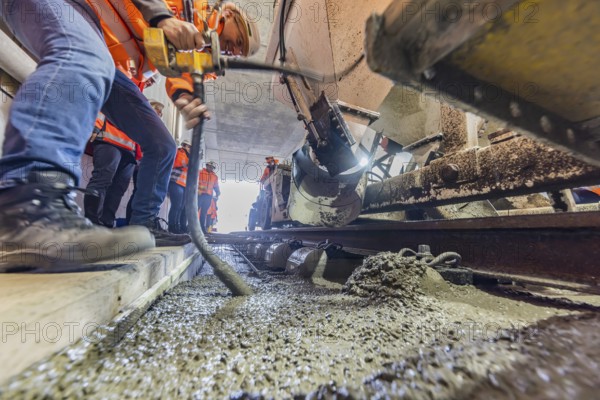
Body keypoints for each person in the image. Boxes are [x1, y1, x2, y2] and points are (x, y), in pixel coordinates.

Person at [0, 0, 257, 271]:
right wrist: (161, 17)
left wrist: (183, 95)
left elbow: (175, 68)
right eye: (239, 41)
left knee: (162, 144)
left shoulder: (193, 34)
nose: (235, 51)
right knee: (84, 56)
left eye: (240, 52)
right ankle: (27, 212)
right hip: (70, 8)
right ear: (229, 14)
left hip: (104, 58)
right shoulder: (190, 5)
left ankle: (144, 224)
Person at [84, 115, 138, 227]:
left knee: (119, 188)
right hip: (109, 139)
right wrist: (95, 126)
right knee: (102, 179)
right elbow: (103, 107)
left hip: (129, 149)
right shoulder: (122, 97)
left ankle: (107, 223)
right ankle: (91, 223)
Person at [168, 139, 192, 234]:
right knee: (176, 206)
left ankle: (178, 227)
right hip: (176, 182)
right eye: (189, 147)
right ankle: (172, 227)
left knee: (181, 207)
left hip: (184, 185)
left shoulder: (189, 157)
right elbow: (177, 163)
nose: (190, 149)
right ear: (184, 146)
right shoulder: (179, 152)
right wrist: (188, 163)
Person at [198, 161, 220, 233]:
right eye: (209, 166)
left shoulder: (214, 176)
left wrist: (217, 192)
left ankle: (202, 228)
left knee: (204, 212)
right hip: (199, 195)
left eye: (212, 167)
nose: (210, 168)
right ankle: (191, 226)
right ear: (206, 165)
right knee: (195, 211)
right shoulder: (200, 172)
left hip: (208, 196)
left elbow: (216, 186)